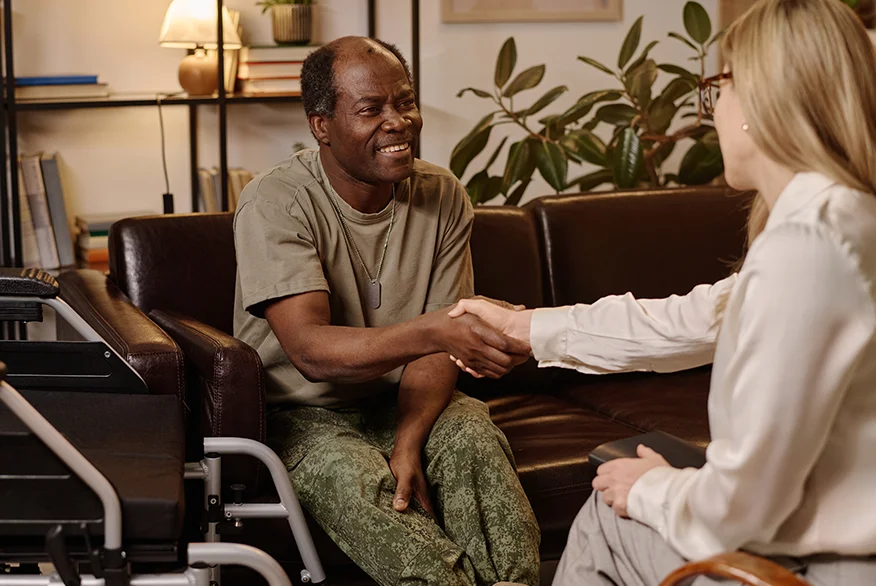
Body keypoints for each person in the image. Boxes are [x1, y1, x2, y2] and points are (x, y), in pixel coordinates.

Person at [448, 0, 876, 584]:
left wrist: (654, 489)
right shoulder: (845, 219)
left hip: (824, 568)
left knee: (608, 514)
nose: (713, 112)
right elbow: (696, 319)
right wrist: (525, 328)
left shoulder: (808, 248)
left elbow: (741, 508)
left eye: (719, 89)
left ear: (761, 101)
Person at [232, 36, 540, 586]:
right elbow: (311, 352)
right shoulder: (276, 201)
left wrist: (408, 437)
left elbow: (438, 349)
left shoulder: (442, 194)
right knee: (351, 477)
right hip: (301, 416)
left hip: (402, 399)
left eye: (405, 102)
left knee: (473, 436)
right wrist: (434, 330)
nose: (399, 122)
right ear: (321, 125)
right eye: (371, 109)